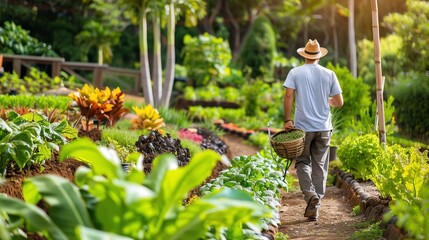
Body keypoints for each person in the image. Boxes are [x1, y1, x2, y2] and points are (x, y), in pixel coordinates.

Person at [283, 39, 344, 222]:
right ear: (319, 56)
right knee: (320, 166)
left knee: (302, 163)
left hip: (303, 128)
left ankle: (310, 196)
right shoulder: (329, 74)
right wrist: (328, 102)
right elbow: (339, 102)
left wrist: (287, 119)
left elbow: (288, 95)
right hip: (324, 128)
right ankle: (316, 201)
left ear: (304, 55)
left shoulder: (295, 72)